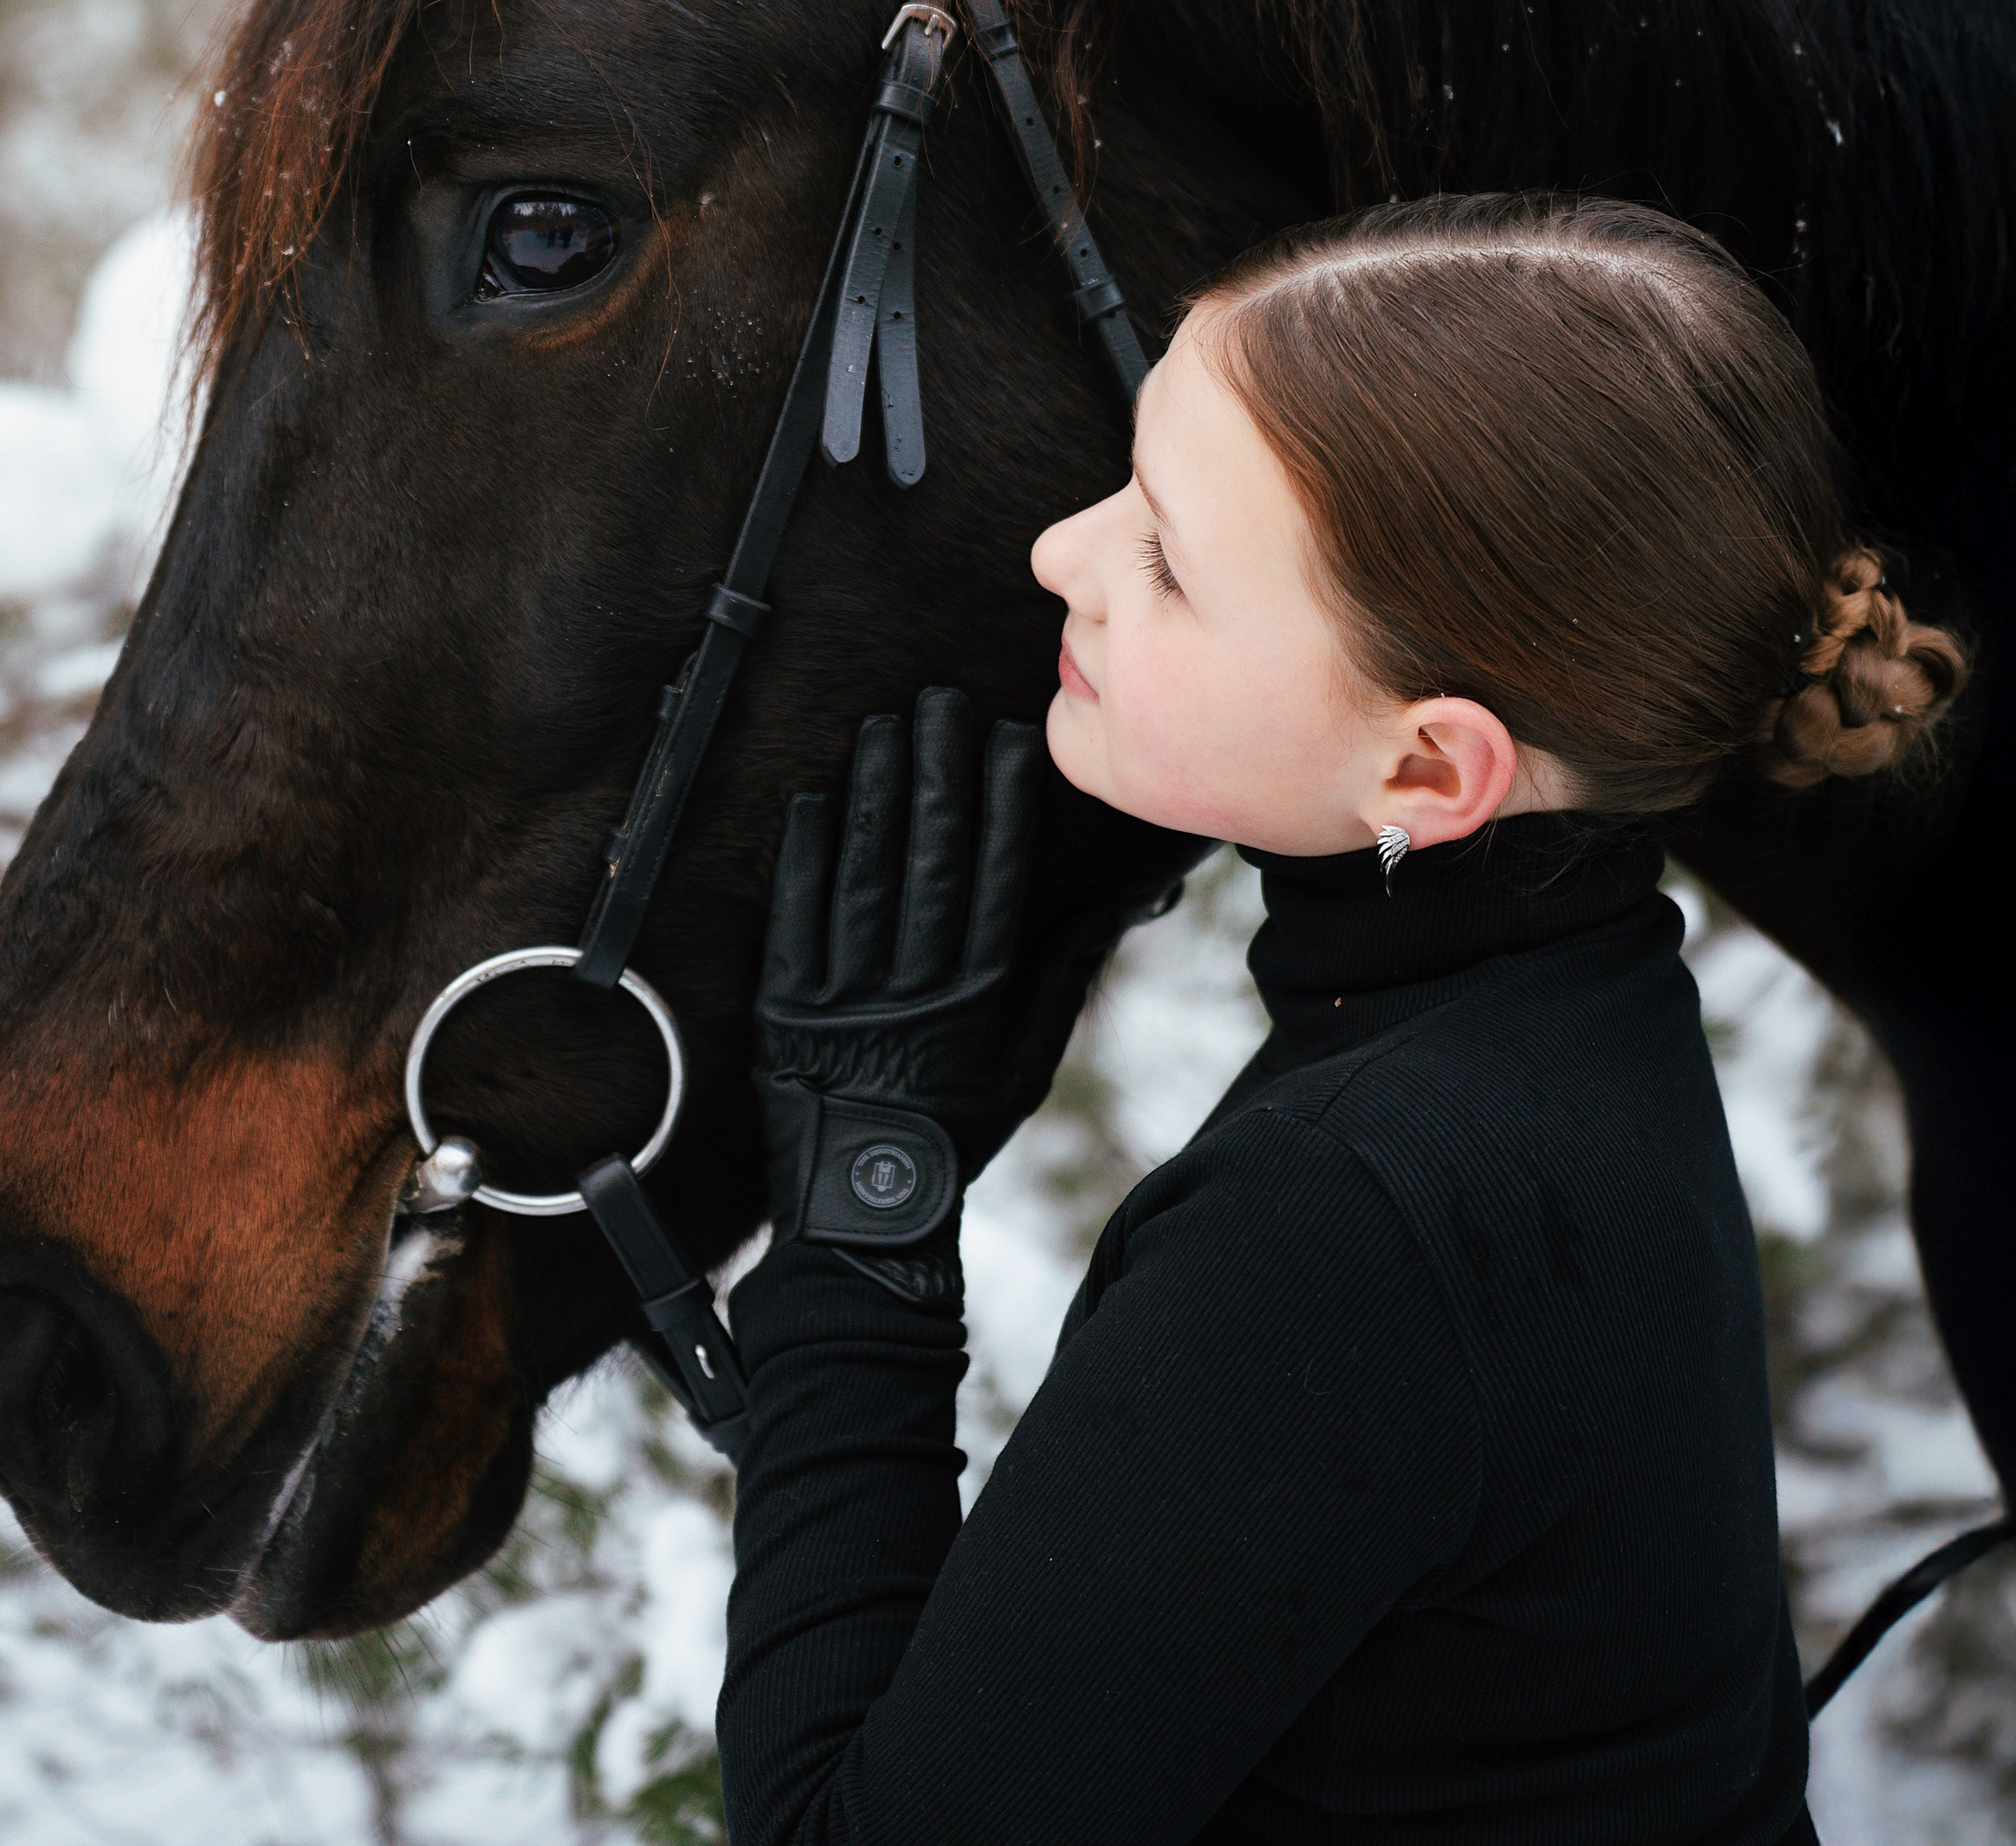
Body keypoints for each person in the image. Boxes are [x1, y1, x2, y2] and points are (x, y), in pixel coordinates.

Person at [715, 194, 1971, 1846]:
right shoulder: (1569, 1013)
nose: (1062, 555)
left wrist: (858, 1227)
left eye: (1167, 557)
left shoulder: (1353, 1218)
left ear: (1430, 770)